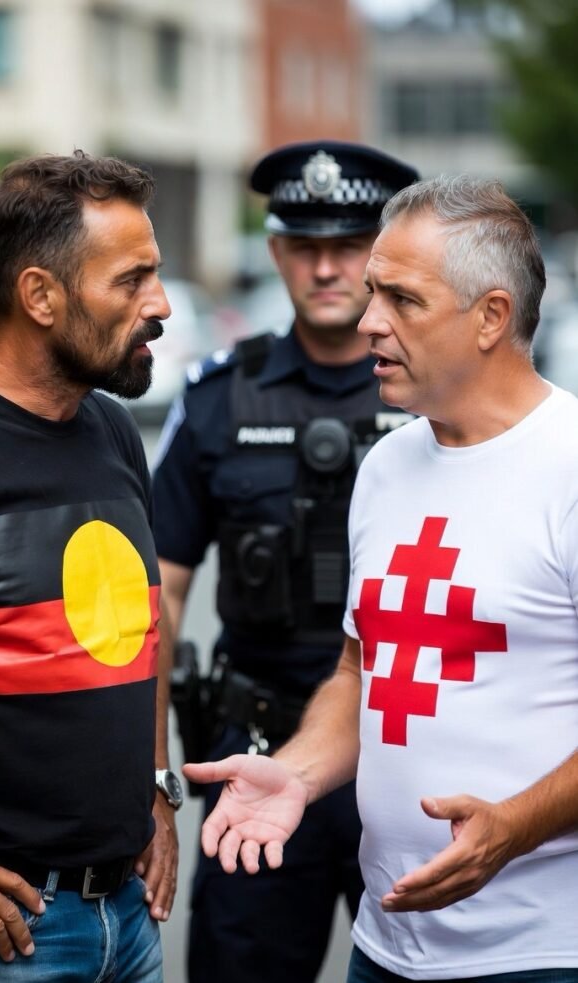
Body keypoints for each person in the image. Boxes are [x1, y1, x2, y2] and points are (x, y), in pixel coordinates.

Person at [184, 175, 578, 983]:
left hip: (540, 952)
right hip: (384, 947)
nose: (368, 322)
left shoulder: (568, 467)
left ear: (492, 317)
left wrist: (515, 825)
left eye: (401, 298)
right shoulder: (387, 465)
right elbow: (364, 671)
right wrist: (293, 773)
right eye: (371, 294)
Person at [151, 140, 418, 983]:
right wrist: (149, 774)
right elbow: (156, 597)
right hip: (257, 746)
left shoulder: (433, 392)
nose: (328, 267)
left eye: (349, 246)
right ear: (275, 252)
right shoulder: (218, 395)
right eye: (305, 246)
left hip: (408, 750)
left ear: (379, 253)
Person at [0, 150, 182, 982]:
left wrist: (155, 788)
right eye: (130, 281)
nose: (161, 305)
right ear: (39, 295)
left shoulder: (109, 430)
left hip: (128, 923)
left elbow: (141, 626)